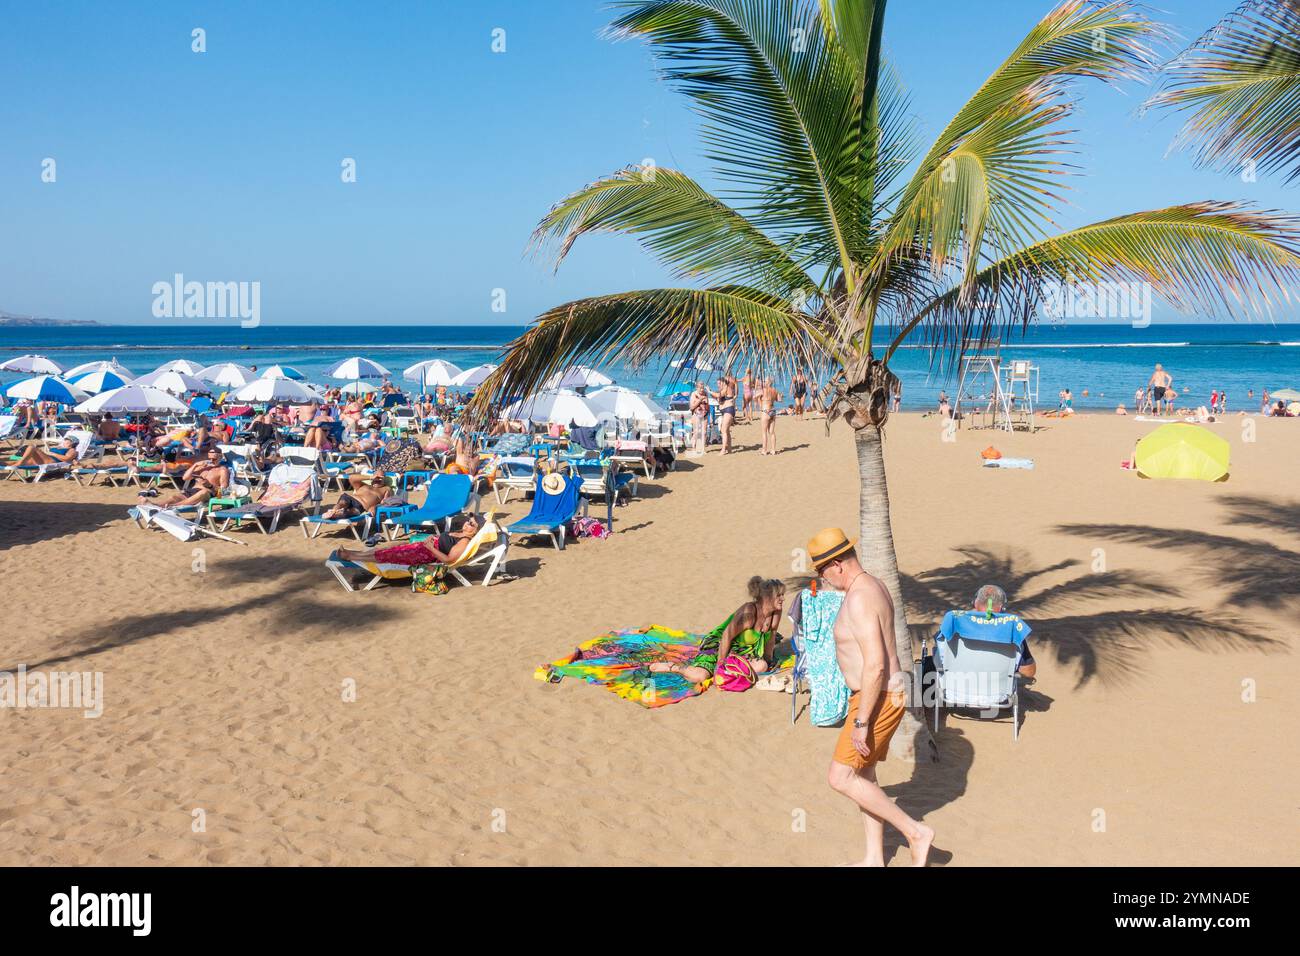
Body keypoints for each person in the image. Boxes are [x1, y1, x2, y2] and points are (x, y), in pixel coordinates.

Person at [808, 527, 933, 867]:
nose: (821, 577)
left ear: (836, 564)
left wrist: (861, 721)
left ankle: (916, 832)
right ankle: (874, 858)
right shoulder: (873, 584)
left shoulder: (861, 596)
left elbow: (875, 664)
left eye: (821, 570)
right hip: (877, 695)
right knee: (864, 776)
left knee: (840, 776)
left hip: (877, 697)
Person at [647, 576, 783, 683]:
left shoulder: (775, 613)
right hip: (718, 645)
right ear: (767, 597)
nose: (782, 599)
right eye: (779, 595)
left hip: (742, 652)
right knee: (700, 676)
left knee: (762, 666)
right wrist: (720, 666)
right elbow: (726, 636)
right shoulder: (749, 613)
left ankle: (731, 670)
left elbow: (771, 638)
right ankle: (673, 667)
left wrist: (769, 660)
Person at [939, 584, 1036, 679]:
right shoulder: (1012, 628)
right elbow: (1029, 672)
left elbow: (939, 659)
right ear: (1002, 607)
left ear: (975, 603)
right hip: (998, 692)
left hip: (955, 690)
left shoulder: (954, 621)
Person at [337, 513, 481, 566]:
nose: (467, 523)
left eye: (471, 524)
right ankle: (354, 554)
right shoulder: (460, 532)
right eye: (469, 520)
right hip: (424, 547)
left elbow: (449, 560)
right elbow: (443, 540)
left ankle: (349, 556)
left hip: (427, 554)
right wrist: (433, 537)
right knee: (389, 549)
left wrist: (431, 547)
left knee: (389, 555)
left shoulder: (464, 542)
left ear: (475, 531)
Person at [146, 445, 230, 509]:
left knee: (202, 493)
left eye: (214, 459)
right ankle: (155, 505)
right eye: (210, 458)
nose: (211, 461)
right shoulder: (202, 467)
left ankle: (172, 506)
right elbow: (185, 478)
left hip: (209, 493)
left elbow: (223, 490)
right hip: (193, 490)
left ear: (220, 457)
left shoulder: (222, 470)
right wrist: (195, 465)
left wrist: (210, 485)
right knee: (174, 497)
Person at [320, 474, 390, 520]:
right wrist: (370, 477)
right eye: (376, 477)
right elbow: (351, 478)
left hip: (361, 507)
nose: (378, 479)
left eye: (380, 478)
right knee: (342, 503)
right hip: (351, 498)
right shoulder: (363, 485)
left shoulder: (386, 489)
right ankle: (333, 511)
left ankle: (335, 514)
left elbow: (386, 502)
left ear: (384, 479)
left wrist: (375, 507)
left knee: (350, 512)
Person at [11, 436, 80, 467]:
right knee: (13, 463)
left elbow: (67, 459)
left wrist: (53, 454)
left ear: (72, 443)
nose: (65, 441)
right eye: (65, 440)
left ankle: (20, 463)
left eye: (67, 440)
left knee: (32, 447)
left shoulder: (72, 450)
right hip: (45, 458)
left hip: (50, 461)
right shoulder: (60, 447)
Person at [714, 374, 737, 454]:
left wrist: (710, 391)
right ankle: (729, 449)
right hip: (725, 411)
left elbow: (718, 395)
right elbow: (720, 400)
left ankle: (723, 450)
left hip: (728, 410)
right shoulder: (723, 390)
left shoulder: (727, 388)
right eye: (717, 384)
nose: (718, 385)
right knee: (726, 431)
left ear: (724, 383)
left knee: (723, 430)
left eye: (719, 383)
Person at [688, 382, 710, 456]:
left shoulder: (705, 394)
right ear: (697, 388)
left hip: (705, 414)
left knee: (704, 432)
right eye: (700, 388)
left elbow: (707, 404)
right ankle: (694, 448)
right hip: (696, 414)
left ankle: (703, 449)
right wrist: (700, 400)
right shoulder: (693, 394)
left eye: (702, 387)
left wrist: (709, 414)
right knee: (696, 432)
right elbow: (691, 407)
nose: (701, 389)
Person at [760, 378, 779, 455]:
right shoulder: (775, 390)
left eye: (765, 381)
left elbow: (755, 397)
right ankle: (773, 450)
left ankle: (764, 450)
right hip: (773, 411)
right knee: (772, 432)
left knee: (764, 432)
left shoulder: (763, 390)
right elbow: (778, 399)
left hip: (765, 411)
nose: (764, 382)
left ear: (768, 382)